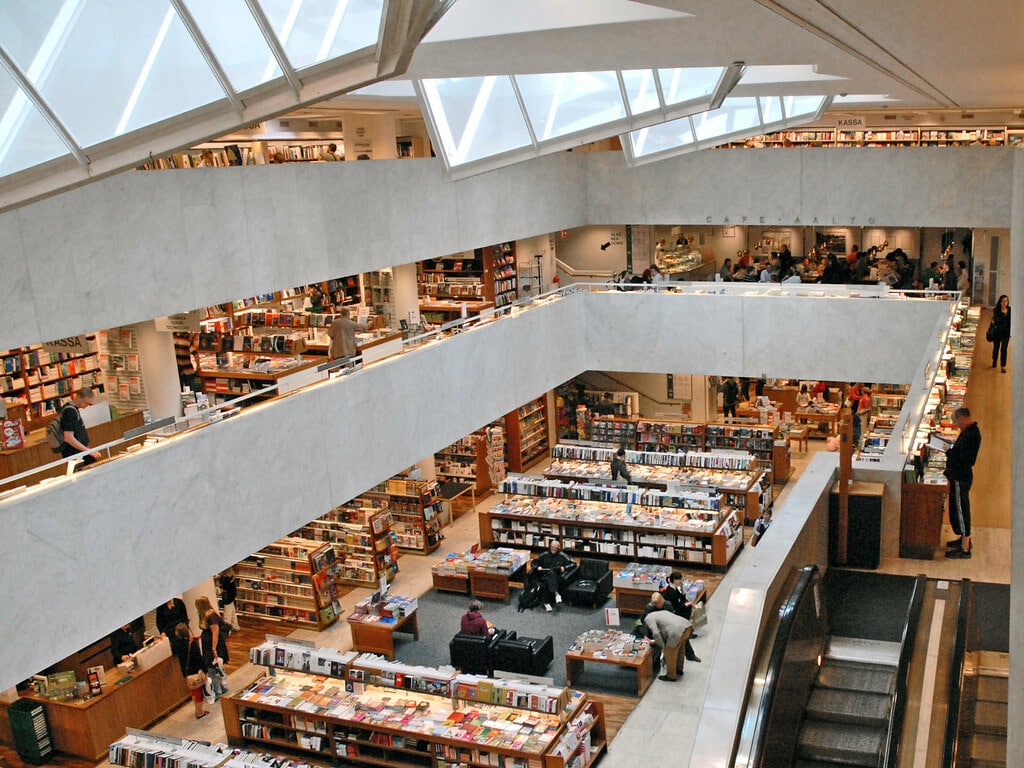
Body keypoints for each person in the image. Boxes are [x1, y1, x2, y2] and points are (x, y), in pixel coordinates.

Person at [944, 407, 981, 559]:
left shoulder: (970, 435)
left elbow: (965, 459)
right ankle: (963, 540)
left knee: (961, 510)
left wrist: (948, 451)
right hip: (960, 475)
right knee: (959, 508)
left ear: (962, 418)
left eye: (955, 421)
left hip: (961, 477)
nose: (955, 424)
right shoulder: (969, 432)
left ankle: (965, 548)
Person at [642, 593, 692, 681]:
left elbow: (656, 633)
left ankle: (671, 676)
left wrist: (662, 646)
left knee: (670, 653)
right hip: (686, 626)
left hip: (676, 632)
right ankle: (679, 669)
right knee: (680, 649)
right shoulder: (663, 611)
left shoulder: (648, 618)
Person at [659, 572, 702, 660]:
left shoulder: (675, 589)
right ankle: (690, 655)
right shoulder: (671, 592)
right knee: (683, 637)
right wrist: (688, 604)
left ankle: (689, 636)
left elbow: (681, 598)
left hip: (679, 615)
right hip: (677, 616)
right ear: (675, 580)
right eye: (679, 579)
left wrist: (682, 590)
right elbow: (677, 606)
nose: (681, 581)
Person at [58, 387, 102, 467]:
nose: (86, 406)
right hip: (76, 453)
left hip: (80, 451)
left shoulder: (71, 409)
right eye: (86, 403)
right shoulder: (69, 412)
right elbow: (68, 438)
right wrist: (88, 451)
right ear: (78, 398)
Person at [175, 623, 209, 719]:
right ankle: (199, 712)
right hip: (195, 671)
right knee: (199, 693)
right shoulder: (191, 644)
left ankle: (197, 710)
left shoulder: (177, 646)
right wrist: (205, 670)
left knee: (194, 692)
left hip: (186, 673)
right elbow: (198, 658)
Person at [531, 540, 576, 612]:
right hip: (544, 575)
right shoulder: (544, 554)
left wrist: (564, 568)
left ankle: (546, 603)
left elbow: (573, 564)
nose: (553, 549)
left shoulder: (562, 555)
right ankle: (556, 593)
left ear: (558, 548)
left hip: (557, 576)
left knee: (548, 581)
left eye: (555, 548)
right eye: (552, 547)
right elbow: (534, 562)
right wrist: (537, 567)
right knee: (549, 576)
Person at [195, 595, 230, 666]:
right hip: (207, 643)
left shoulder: (212, 616)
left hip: (213, 643)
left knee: (215, 665)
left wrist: (214, 649)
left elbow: (215, 633)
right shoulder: (203, 615)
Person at [990, 294, 1011, 372]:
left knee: (1004, 349)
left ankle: (1003, 366)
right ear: (1000, 302)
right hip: (998, 332)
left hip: (1006, 333)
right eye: (1004, 301)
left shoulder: (1010, 310)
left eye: (1007, 301)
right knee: (996, 347)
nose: (1005, 302)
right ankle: (995, 360)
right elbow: (997, 321)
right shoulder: (996, 310)